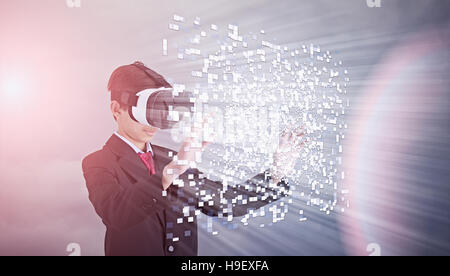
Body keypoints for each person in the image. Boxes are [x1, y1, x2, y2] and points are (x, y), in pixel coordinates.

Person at [82, 61, 307, 256]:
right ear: (116, 109)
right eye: (147, 112)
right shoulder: (99, 162)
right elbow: (118, 214)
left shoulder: (171, 159)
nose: (153, 123)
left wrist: (276, 174)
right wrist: (172, 171)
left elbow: (226, 203)